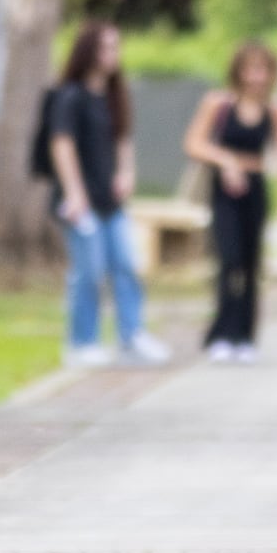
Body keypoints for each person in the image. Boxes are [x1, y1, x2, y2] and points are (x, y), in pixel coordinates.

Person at [45, 22, 168, 367]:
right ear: (89, 51)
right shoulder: (69, 96)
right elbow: (61, 144)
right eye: (106, 47)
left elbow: (123, 138)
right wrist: (75, 192)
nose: (113, 54)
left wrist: (127, 173)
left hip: (110, 203)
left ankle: (132, 335)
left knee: (126, 265)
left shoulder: (114, 95)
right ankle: (82, 342)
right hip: (79, 204)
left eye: (116, 46)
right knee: (90, 271)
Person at [182, 41, 277, 363]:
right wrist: (226, 161)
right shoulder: (218, 104)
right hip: (224, 192)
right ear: (239, 71)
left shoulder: (275, 111)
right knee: (228, 260)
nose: (257, 77)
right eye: (251, 69)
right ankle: (221, 332)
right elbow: (193, 142)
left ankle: (246, 336)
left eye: (263, 69)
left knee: (251, 263)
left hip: (256, 190)